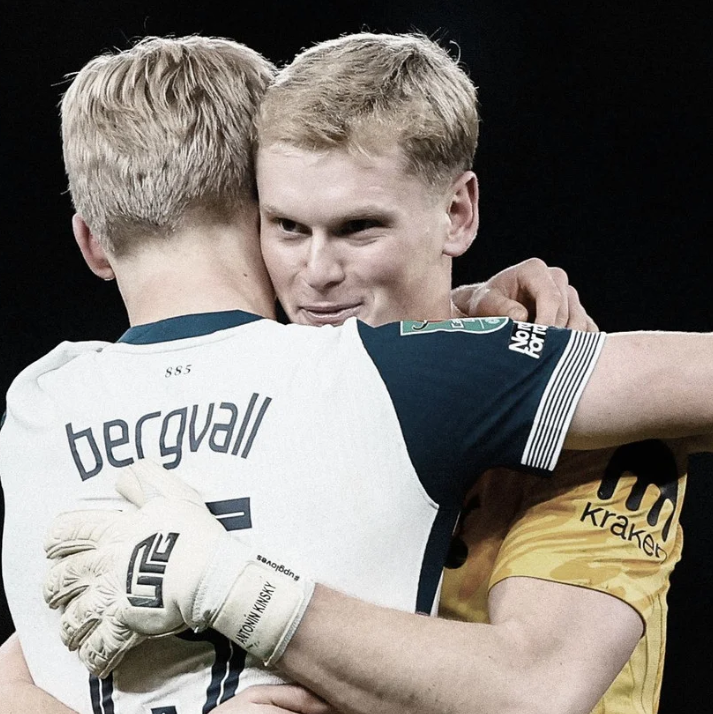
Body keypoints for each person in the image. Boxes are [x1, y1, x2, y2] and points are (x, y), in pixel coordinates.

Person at [0, 34, 698, 714]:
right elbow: (26, 673)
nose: (316, 274)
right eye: (287, 227)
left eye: (358, 227)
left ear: (457, 213)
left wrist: (238, 590)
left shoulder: (592, 431)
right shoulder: (268, 413)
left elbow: (538, 690)